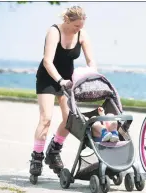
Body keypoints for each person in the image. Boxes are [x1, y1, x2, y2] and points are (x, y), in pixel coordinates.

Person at [29, 5, 97, 177]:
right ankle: (37, 157)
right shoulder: (54, 32)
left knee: (70, 119)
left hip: (68, 79)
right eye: (76, 26)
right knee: (46, 118)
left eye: (81, 26)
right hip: (49, 78)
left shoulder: (82, 33)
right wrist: (60, 80)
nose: (79, 29)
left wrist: (93, 75)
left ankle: (54, 150)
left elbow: (91, 61)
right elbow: (47, 61)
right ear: (67, 20)